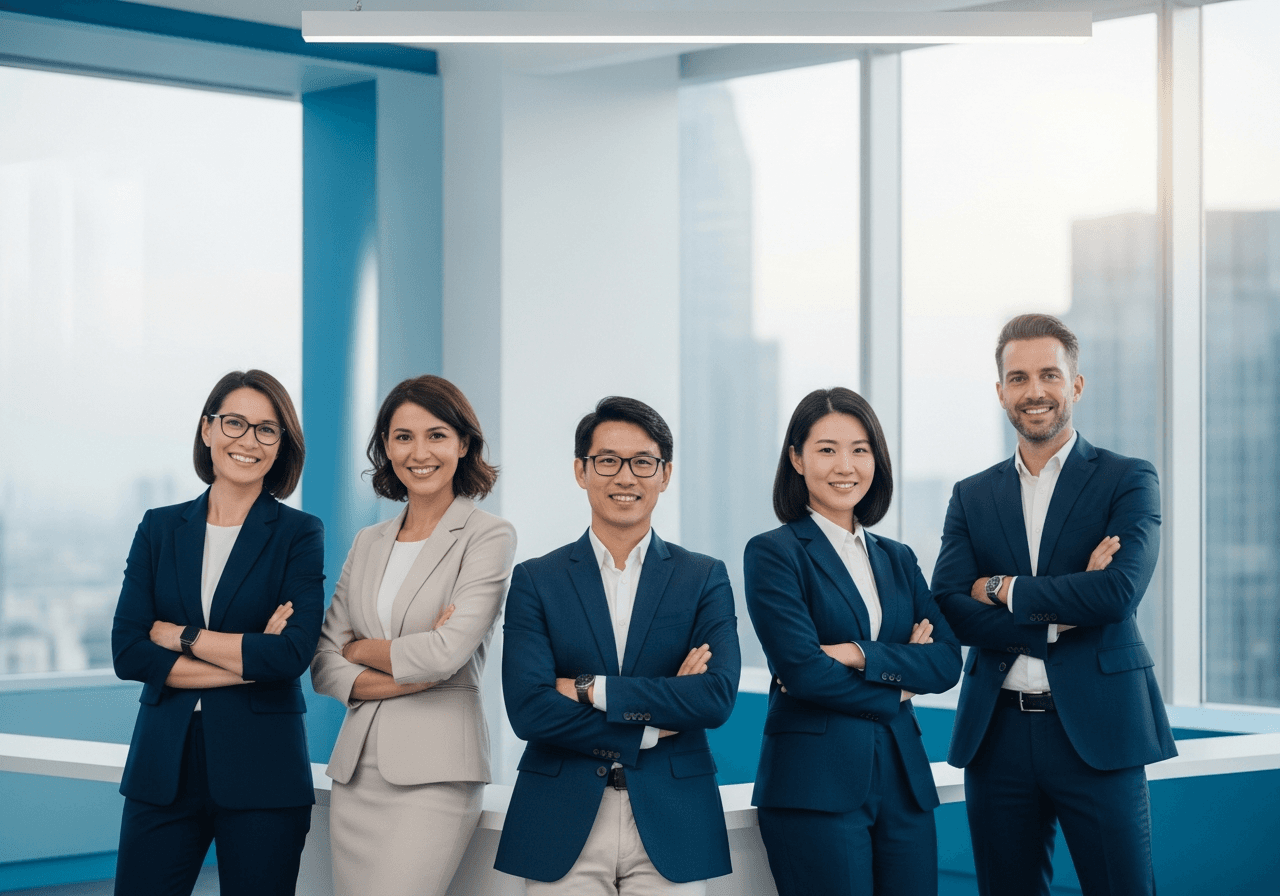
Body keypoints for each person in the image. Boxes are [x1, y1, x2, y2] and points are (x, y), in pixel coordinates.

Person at [932, 313, 1176, 896]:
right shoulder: (972, 494)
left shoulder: (1127, 479)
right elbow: (948, 604)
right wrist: (1068, 607)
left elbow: (1117, 593)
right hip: (999, 734)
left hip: (1100, 730)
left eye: (1048, 375)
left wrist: (1003, 588)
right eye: (1018, 378)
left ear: (1076, 385)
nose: (1034, 391)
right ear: (1000, 393)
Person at [495, 396, 741, 895]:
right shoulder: (536, 579)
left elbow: (714, 697)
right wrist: (651, 726)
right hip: (561, 815)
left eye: (643, 462)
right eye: (607, 461)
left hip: (673, 817)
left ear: (664, 474)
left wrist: (590, 689)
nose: (625, 477)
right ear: (581, 471)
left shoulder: (703, 577)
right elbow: (529, 710)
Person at [111, 369, 324, 896]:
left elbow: (292, 654)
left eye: (266, 430)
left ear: (281, 445)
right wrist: (250, 664)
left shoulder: (299, 533)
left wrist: (181, 636)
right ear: (207, 430)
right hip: (164, 766)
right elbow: (128, 651)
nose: (247, 440)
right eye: (234, 423)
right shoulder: (159, 528)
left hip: (263, 770)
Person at [743, 387, 962, 896]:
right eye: (826, 449)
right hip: (815, 787)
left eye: (860, 449)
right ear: (796, 458)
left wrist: (859, 654)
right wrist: (900, 678)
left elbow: (947, 660)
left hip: (904, 786)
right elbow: (802, 670)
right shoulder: (775, 554)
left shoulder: (898, 558)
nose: (846, 465)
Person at [310, 374, 516, 896]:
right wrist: (408, 673)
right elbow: (324, 662)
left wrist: (361, 650)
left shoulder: (488, 535)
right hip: (356, 772)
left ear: (464, 443)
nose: (418, 452)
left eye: (436, 435)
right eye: (402, 437)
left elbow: (444, 654)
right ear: (385, 447)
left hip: (435, 773)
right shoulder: (369, 540)